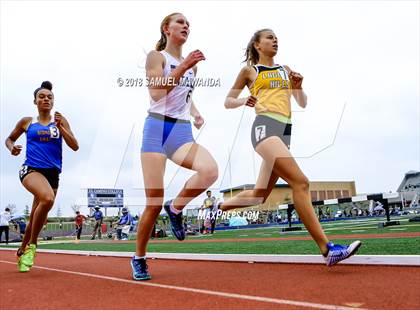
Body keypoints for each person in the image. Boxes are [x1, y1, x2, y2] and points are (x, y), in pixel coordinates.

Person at [218, 29, 361, 266]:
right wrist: (244, 100)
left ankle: (217, 208)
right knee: (301, 182)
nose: (275, 40)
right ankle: (328, 250)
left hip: (284, 132)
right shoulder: (249, 71)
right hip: (264, 128)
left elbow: (302, 102)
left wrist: (298, 86)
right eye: (269, 37)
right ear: (257, 45)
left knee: (258, 196)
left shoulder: (285, 70)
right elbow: (227, 101)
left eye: (276, 38)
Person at [131, 12, 218, 281]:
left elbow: (184, 95)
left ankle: (177, 207)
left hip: (181, 131)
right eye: (180, 22)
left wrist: (196, 112)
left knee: (209, 171)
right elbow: (157, 92)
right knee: (153, 203)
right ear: (166, 29)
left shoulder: (192, 67)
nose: (186, 26)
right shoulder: (156, 57)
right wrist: (184, 66)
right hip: (157, 128)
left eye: (188, 24)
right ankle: (139, 258)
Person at [5, 81, 79, 272]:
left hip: (53, 174)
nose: (46, 99)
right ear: (35, 101)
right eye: (42, 97)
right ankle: (33, 246)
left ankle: (21, 251)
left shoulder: (60, 120)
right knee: (47, 199)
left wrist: (61, 127)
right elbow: (9, 139)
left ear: (53, 101)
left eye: (49, 97)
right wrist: (12, 147)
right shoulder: (27, 122)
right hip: (31, 169)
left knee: (37, 217)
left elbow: (75, 145)